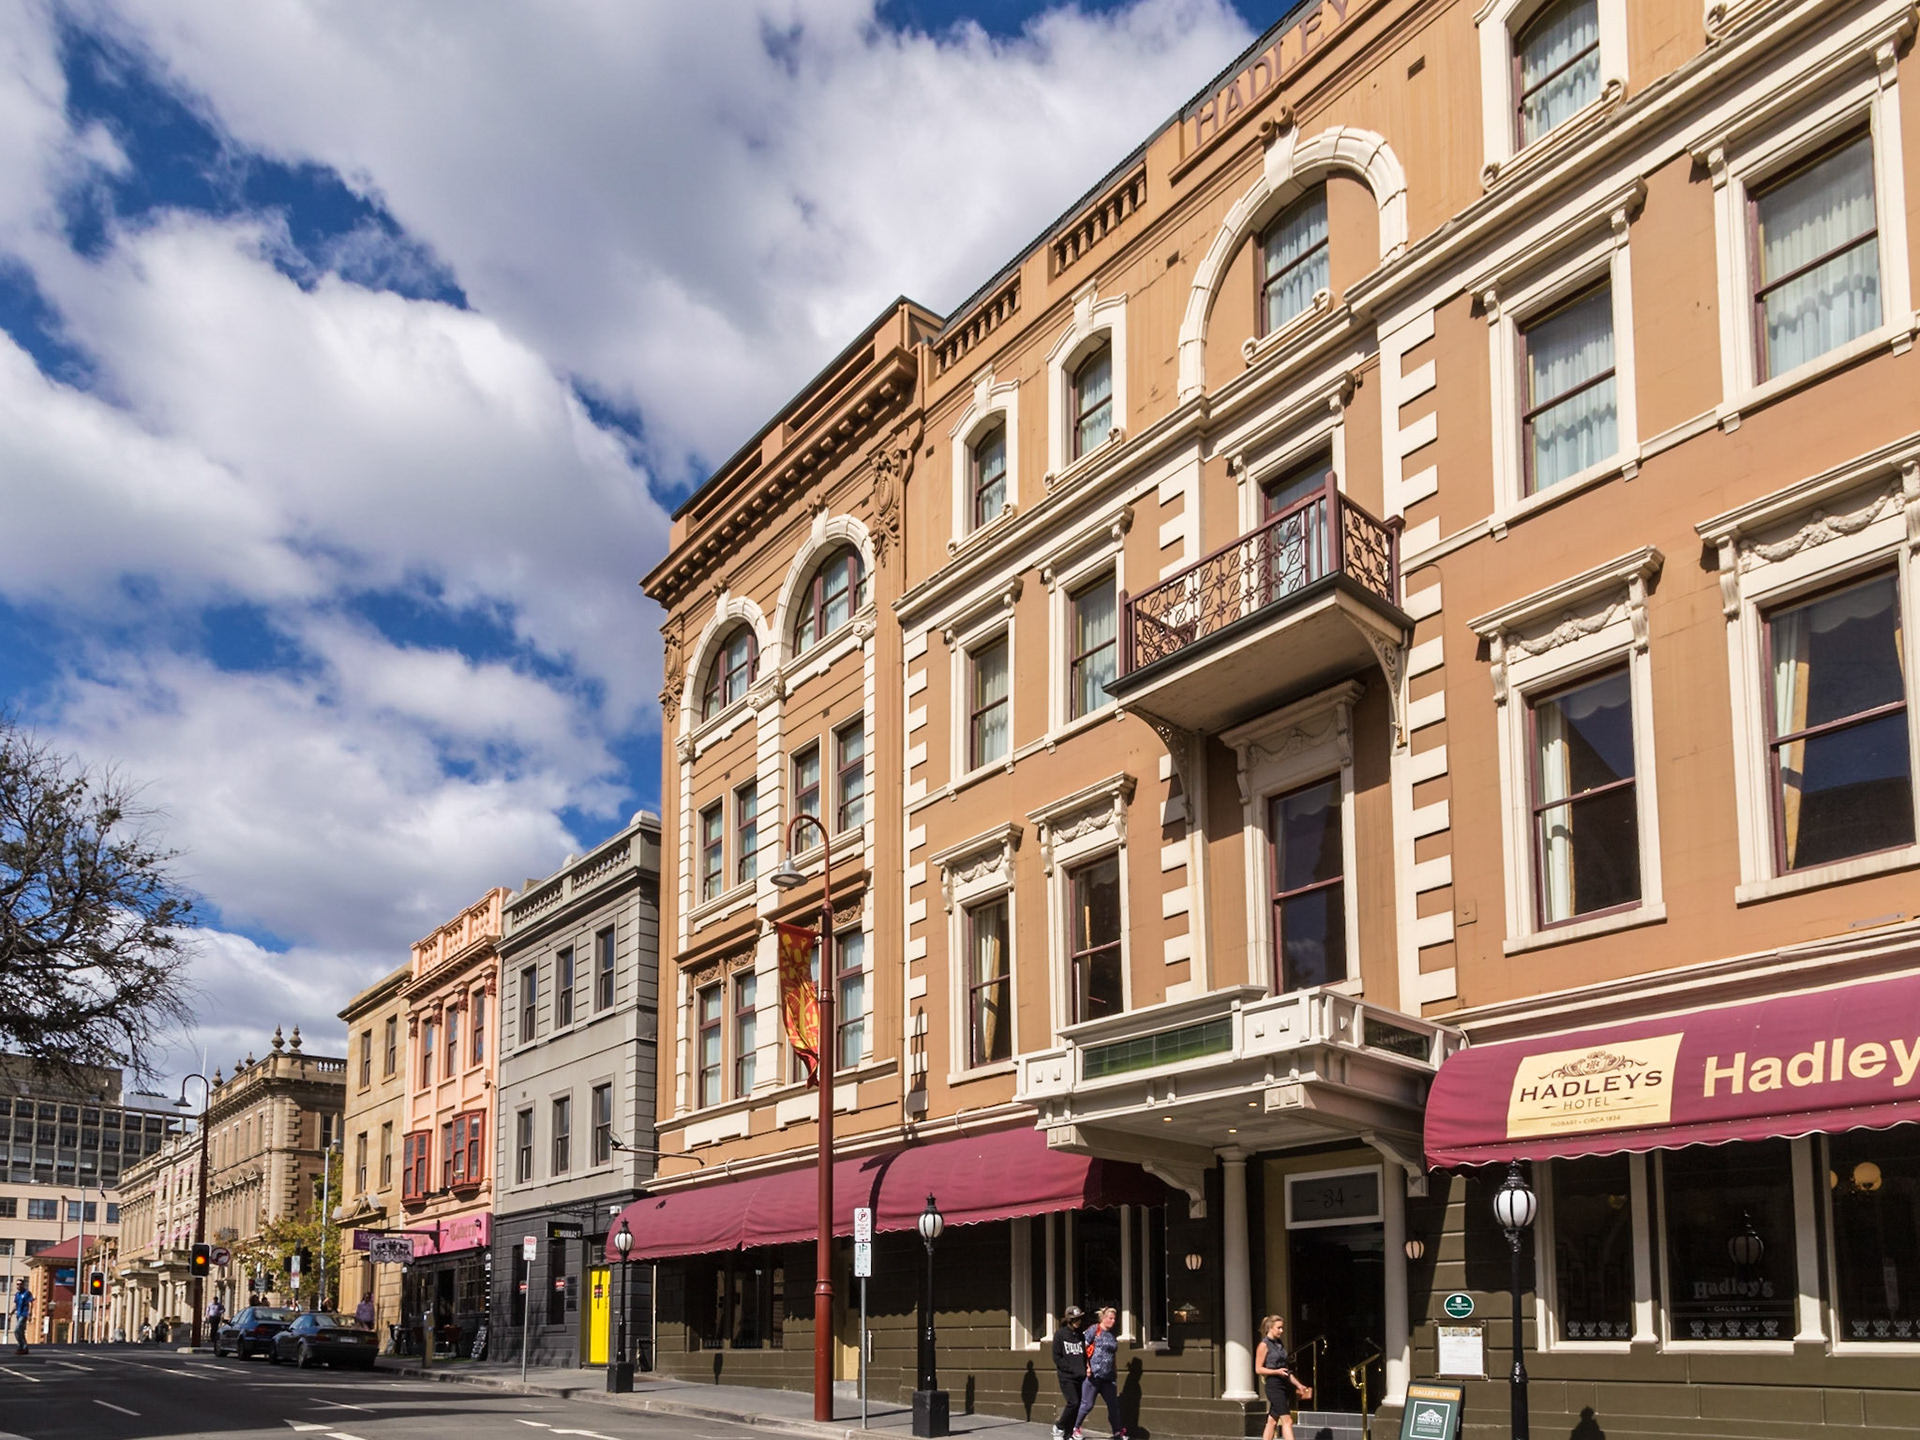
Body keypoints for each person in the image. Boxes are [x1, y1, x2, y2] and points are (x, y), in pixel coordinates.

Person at [1255, 1315, 1312, 1440]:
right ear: (1270, 1327)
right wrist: (1276, 1372)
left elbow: (1286, 1370)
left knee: (1272, 1421)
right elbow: (1258, 1369)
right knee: (1287, 1420)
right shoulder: (1264, 1345)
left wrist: (1299, 1385)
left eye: (1282, 1328)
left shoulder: (1279, 1344)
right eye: (1279, 1328)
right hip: (1273, 1385)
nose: (1282, 1331)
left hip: (1283, 1383)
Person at [1071, 1306, 1124, 1440]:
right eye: (1110, 1318)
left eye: (1114, 1319)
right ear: (1103, 1318)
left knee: (1113, 1405)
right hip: (1094, 1375)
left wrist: (1115, 1369)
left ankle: (1117, 1432)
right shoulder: (1094, 1330)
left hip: (1108, 1376)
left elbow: (1112, 1355)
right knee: (1087, 1404)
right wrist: (1087, 1367)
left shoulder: (1112, 1335)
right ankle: (1075, 1428)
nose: (1113, 1321)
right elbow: (1083, 1349)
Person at [1048, 1306, 1087, 1440]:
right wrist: (1069, 1368)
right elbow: (1057, 1356)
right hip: (1067, 1376)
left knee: (1077, 1406)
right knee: (1073, 1402)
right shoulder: (1060, 1334)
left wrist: (1084, 1368)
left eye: (1079, 1319)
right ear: (1069, 1320)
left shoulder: (1080, 1335)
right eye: (1075, 1319)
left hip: (1080, 1376)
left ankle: (1069, 1434)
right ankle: (1059, 1427)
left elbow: (1083, 1355)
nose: (1078, 1321)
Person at [11, 1281, 31, 1356]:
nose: (19, 1285)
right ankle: (24, 1348)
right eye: (17, 1284)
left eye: (20, 1284)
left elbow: (30, 1303)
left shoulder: (27, 1293)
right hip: (18, 1314)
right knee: (21, 1332)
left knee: (17, 1330)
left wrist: (29, 1313)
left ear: (23, 1285)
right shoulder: (17, 1294)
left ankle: (20, 1346)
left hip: (24, 1314)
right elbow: (16, 1305)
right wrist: (11, 1313)